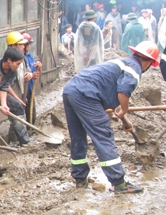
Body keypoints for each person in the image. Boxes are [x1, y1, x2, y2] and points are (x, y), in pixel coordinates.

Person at [63, 41, 160, 193]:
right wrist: (125, 109)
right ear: (150, 63)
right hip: (86, 94)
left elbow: (112, 97)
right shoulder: (135, 68)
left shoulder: (121, 63)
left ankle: (80, 178)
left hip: (71, 90)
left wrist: (125, 120)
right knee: (104, 136)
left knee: (78, 136)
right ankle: (119, 183)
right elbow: (123, 92)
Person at [22, 33, 41, 124]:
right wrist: (31, 75)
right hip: (21, 90)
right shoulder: (19, 58)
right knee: (19, 113)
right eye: (28, 44)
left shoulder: (30, 57)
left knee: (31, 112)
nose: (29, 46)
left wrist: (38, 67)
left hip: (29, 88)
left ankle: (30, 129)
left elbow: (34, 72)